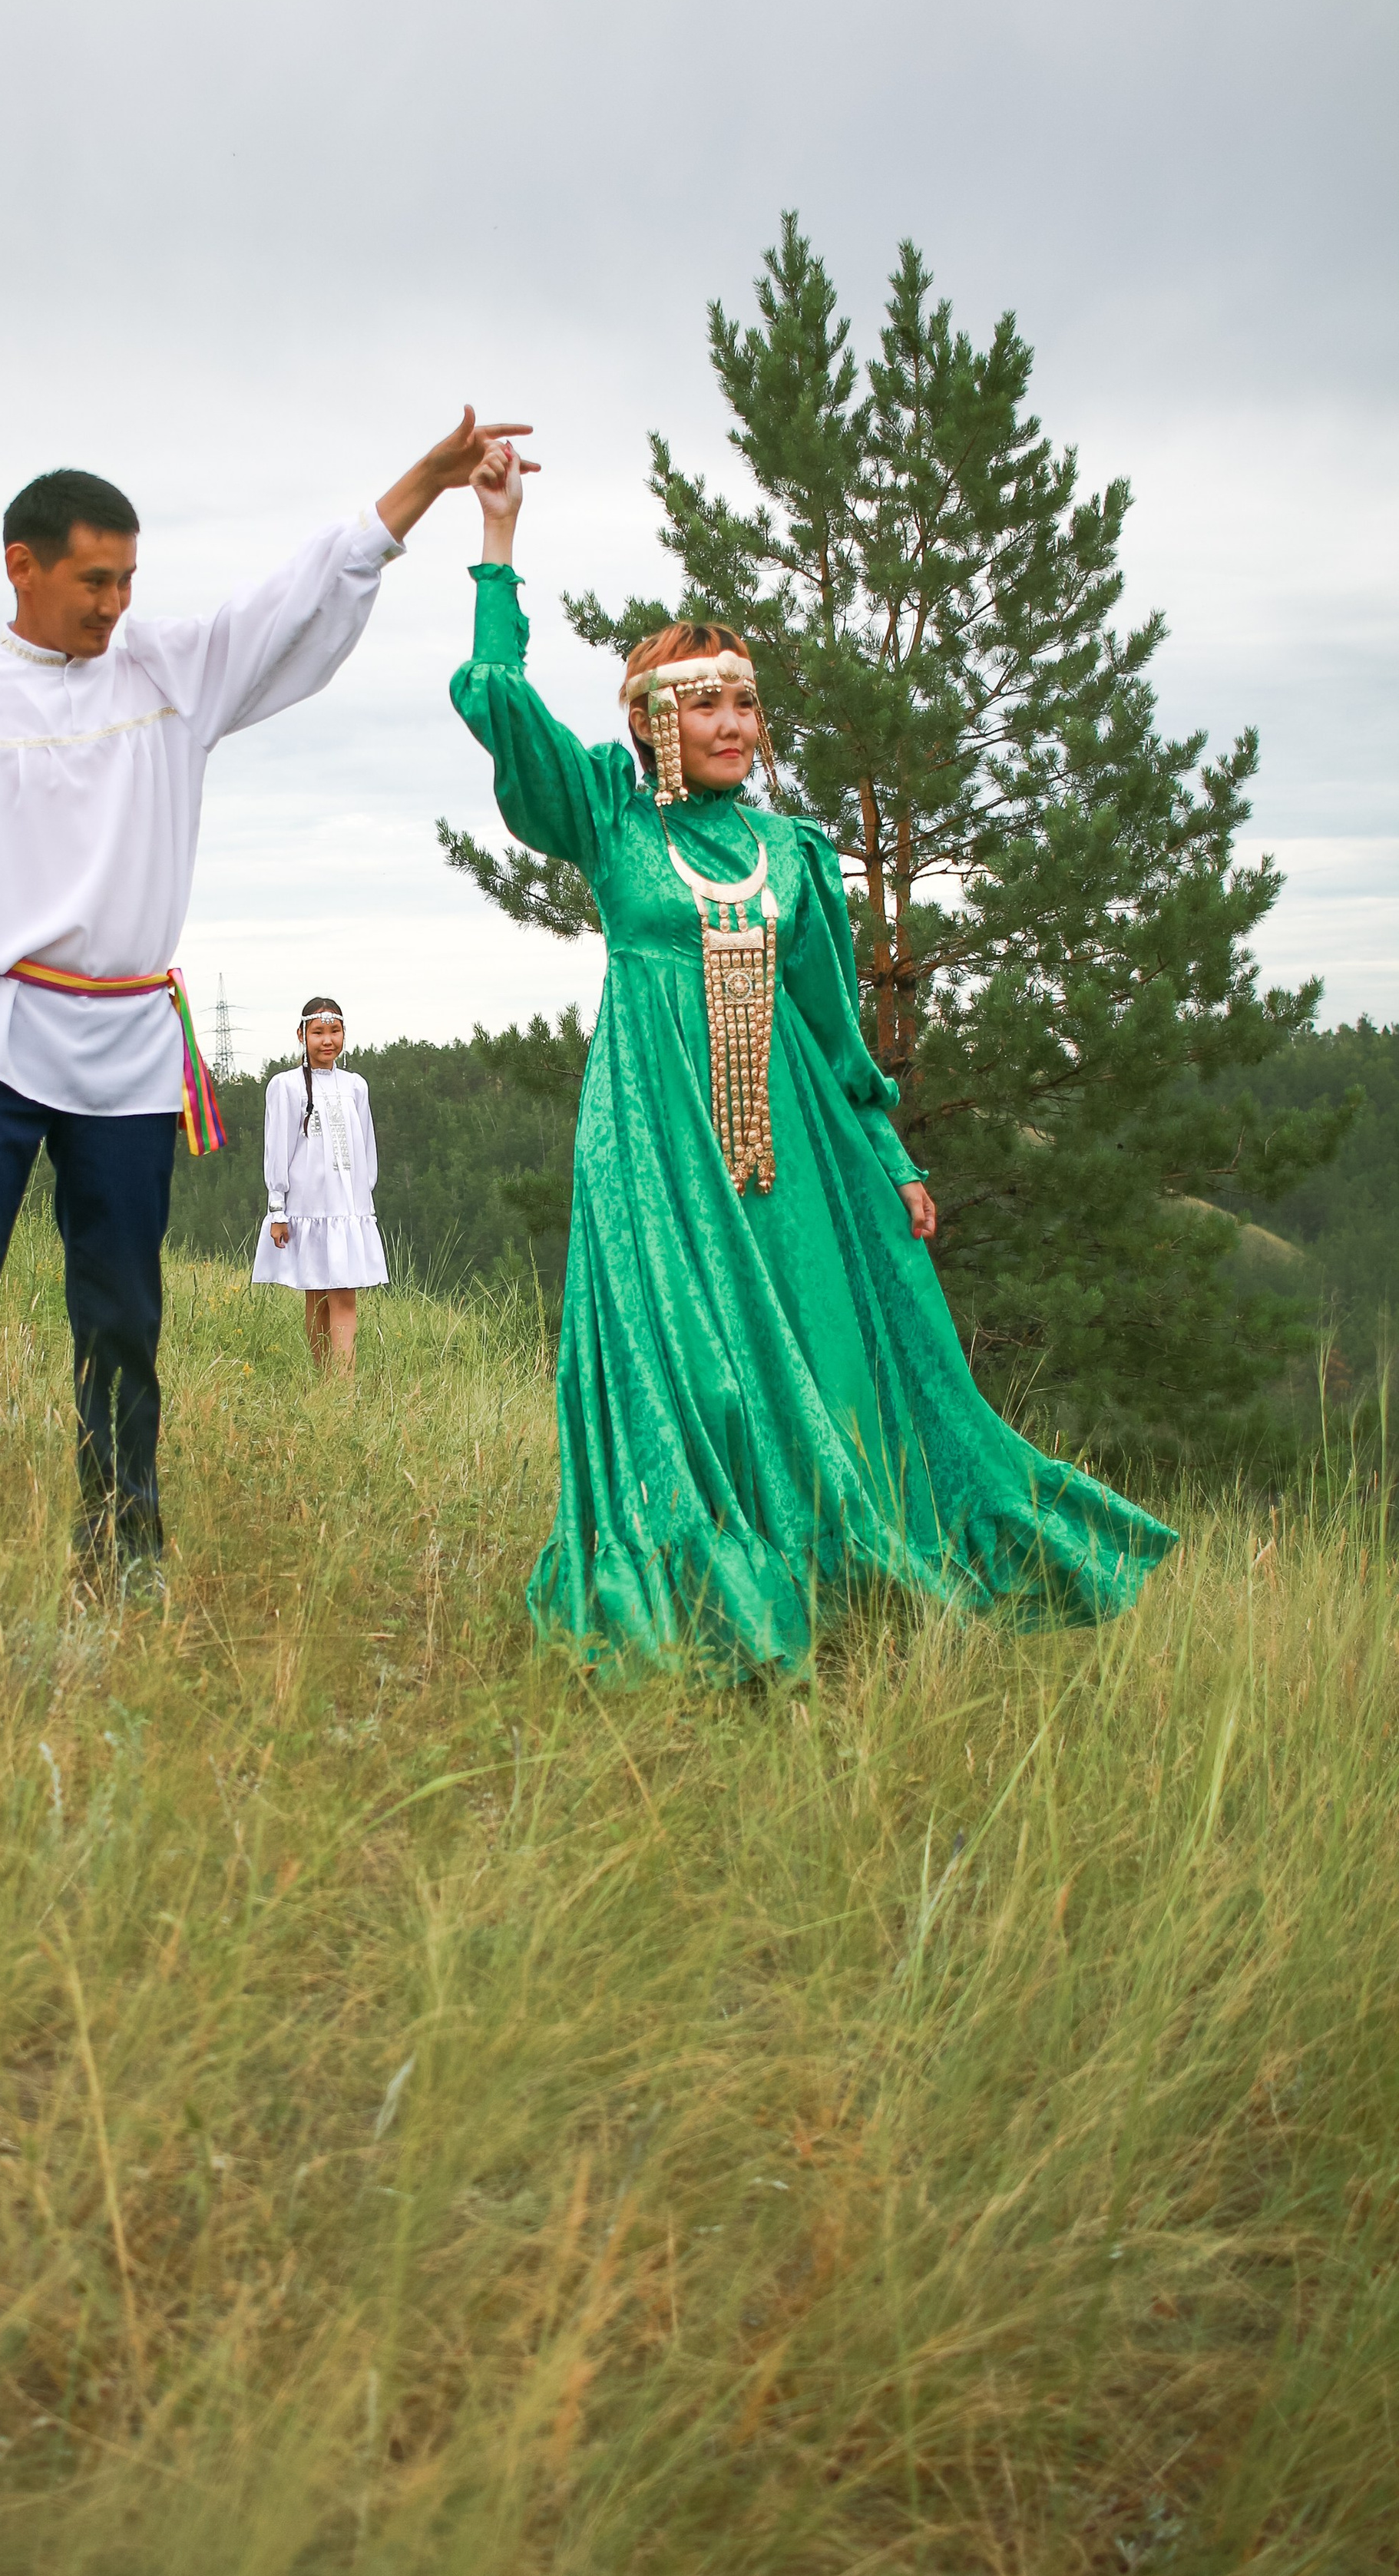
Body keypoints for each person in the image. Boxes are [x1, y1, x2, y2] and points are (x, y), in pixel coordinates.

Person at [0, 409, 529, 1610]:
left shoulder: (169, 674)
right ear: (21, 566)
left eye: (129, 578)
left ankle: (123, 1543)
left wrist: (424, 490)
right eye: (93, 578)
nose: (115, 602)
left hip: (126, 1049)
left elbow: (293, 602)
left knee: (122, 1310)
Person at [449, 440, 1176, 1675]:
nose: (731, 724)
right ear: (651, 723)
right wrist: (500, 547)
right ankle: (697, 1587)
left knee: (828, 1352)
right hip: (656, 1147)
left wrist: (886, 1150)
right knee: (693, 1370)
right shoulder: (611, 820)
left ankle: (835, 1582)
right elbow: (494, 700)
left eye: (744, 703)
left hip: (797, 1153)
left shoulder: (793, 852)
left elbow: (837, 1030)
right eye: (702, 703)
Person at [252, 997, 388, 1370]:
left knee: (344, 1294)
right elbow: (278, 1148)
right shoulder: (286, 1086)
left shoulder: (356, 1086)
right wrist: (277, 1207)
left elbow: (366, 1145)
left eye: (334, 1032)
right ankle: (327, 1378)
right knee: (318, 1296)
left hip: (347, 1208)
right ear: (301, 1035)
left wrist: (363, 1198)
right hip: (309, 1205)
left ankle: (340, 1385)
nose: (327, 1040)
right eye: (318, 1032)